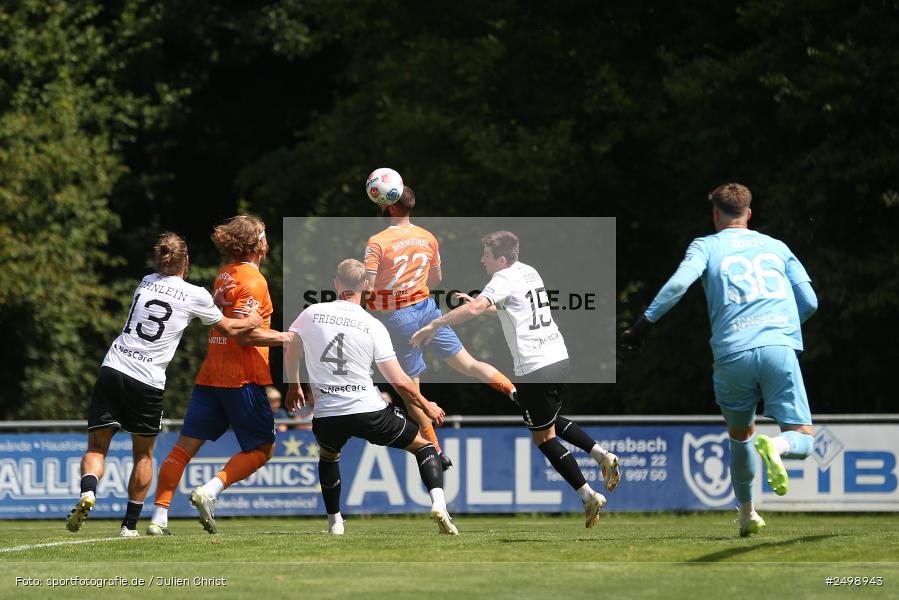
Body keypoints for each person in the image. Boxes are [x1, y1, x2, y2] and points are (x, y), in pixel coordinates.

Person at [619, 183, 818, 537]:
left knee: (740, 436)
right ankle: (776, 445)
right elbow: (811, 301)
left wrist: (641, 326)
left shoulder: (707, 246)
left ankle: (747, 515)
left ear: (715, 213)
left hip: (732, 353)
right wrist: (781, 330)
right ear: (749, 213)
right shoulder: (776, 246)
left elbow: (678, 286)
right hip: (778, 348)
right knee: (802, 437)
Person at [411, 231, 619, 529]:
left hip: (535, 368)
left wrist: (434, 324)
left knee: (543, 438)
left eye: (486, 255)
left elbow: (473, 309)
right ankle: (601, 455)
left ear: (502, 259)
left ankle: (588, 496)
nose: (482, 260)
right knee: (546, 415)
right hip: (558, 357)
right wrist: (485, 306)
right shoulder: (528, 271)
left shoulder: (502, 278)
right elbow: (517, 308)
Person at [66, 233, 262, 537]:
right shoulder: (196, 294)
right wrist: (250, 321)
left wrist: (213, 302)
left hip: (113, 366)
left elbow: (172, 300)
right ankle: (129, 526)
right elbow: (229, 327)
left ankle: (88, 492)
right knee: (143, 455)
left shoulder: (145, 281)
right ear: (186, 260)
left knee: (96, 447)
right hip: (147, 379)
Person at [284, 259, 457, 535]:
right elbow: (399, 381)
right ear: (366, 286)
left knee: (329, 457)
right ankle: (439, 504)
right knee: (423, 447)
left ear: (335, 283)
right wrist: (426, 404)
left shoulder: (311, 313)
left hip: (327, 413)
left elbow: (291, 347)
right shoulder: (373, 324)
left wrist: (294, 385)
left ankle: (335, 523)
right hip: (369, 411)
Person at [148, 215, 288, 536]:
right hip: (242, 377)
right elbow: (243, 334)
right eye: (264, 234)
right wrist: (286, 338)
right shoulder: (254, 281)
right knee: (263, 449)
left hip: (210, 373)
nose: (268, 239)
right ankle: (209, 491)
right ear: (256, 242)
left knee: (184, 447)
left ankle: (158, 518)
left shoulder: (224, 275)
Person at [364, 185, 517, 471]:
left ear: (392, 207)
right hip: (427, 308)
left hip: (398, 317)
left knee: (411, 390)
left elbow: (369, 287)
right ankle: (514, 393)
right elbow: (436, 277)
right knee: (469, 363)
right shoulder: (428, 237)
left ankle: (434, 449)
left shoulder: (378, 241)